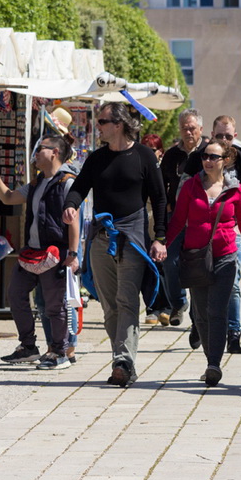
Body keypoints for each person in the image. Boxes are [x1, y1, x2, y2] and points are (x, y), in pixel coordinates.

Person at [62, 102, 166, 388]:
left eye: (103, 121)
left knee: (126, 300)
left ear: (118, 124)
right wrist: (71, 205)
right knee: (109, 305)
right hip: (101, 237)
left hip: (133, 237)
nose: (98, 126)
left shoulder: (144, 156)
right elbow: (80, 187)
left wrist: (160, 238)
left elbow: (159, 199)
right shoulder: (97, 159)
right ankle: (121, 359)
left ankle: (123, 361)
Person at [166, 139, 241, 387]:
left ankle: (214, 364)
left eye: (213, 157)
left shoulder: (236, 190)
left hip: (226, 256)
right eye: (205, 156)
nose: (207, 161)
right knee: (200, 314)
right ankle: (211, 359)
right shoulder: (190, 186)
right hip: (196, 256)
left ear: (226, 160)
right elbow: (177, 221)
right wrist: (162, 245)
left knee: (216, 310)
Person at [0, 136, 79, 370]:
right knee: (16, 294)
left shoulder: (68, 182)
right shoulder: (37, 183)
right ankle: (28, 347)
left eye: (40, 149)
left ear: (55, 152)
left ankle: (59, 352)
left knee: (54, 305)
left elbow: (74, 220)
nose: (35, 154)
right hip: (31, 253)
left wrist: (74, 253)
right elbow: (8, 197)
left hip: (55, 253)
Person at [181, 115, 241, 354]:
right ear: (212, 134)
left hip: (229, 237)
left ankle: (232, 333)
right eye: (219, 135)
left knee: (231, 288)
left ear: (234, 136)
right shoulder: (196, 161)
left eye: (228, 135)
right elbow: (181, 203)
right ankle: (200, 326)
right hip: (197, 245)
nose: (224, 139)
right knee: (201, 301)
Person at [159, 109, 205, 327]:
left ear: (200, 130)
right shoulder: (171, 155)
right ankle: (178, 303)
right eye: (185, 128)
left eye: (192, 128)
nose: (188, 132)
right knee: (169, 261)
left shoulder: (208, 152)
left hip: (200, 218)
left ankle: (198, 315)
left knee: (198, 264)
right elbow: (161, 184)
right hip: (176, 217)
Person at [141, 133, 171, 326]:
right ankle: (152, 307)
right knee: (145, 268)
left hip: (160, 224)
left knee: (162, 268)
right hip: (142, 224)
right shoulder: (140, 169)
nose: (149, 154)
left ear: (160, 151)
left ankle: (166, 307)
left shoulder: (164, 171)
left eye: (152, 150)